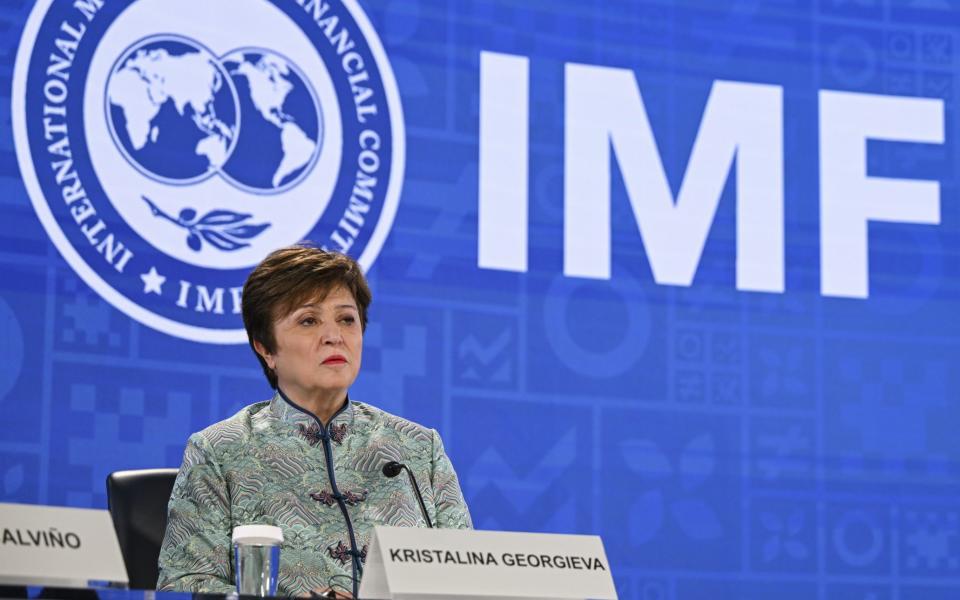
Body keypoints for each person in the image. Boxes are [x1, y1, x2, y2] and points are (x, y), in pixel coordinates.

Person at [157, 244, 472, 597]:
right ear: (265, 347)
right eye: (309, 320)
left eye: (346, 319)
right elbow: (185, 587)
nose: (334, 335)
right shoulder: (219, 451)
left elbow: (468, 582)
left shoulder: (418, 449)